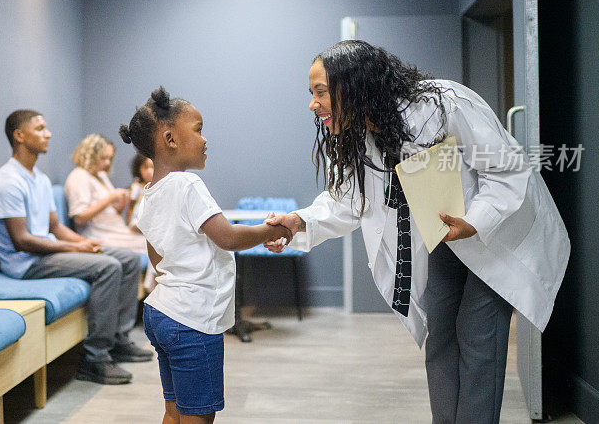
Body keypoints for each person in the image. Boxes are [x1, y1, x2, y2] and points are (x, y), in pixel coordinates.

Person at [264, 40, 570, 424]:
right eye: (311, 94)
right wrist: (300, 221)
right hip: (444, 234)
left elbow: (506, 170)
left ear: (355, 85)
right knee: (439, 333)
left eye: (320, 92)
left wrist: (475, 221)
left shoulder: (443, 104)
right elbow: (346, 201)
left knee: (477, 336)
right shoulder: (360, 134)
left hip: (499, 232)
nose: (313, 104)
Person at [119, 87, 292, 424]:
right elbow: (227, 237)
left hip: (161, 313)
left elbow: (156, 259)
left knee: (174, 409)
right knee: (199, 416)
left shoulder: (149, 194)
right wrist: (272, 230)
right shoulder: (188, 185)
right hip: (192, 322)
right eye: (198, 130)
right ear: (170, 138)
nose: (204, 139)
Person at [0, 110, 152, 386]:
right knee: (108, 268)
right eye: (40, 128)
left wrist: (81, 243)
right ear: (19, 136)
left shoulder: (38, 178)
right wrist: (73, 250)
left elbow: (55, 227)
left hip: (48, 252)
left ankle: (118, 340)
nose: (48, 133)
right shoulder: (7, 181)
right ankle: (95, 359)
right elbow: (22, 241)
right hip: (25, 263)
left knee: (128, 259)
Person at [127, 153, 154, 233]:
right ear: (139, 169)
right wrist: (128, 222)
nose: (149, 171)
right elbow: (131, 206)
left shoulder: (158, 187)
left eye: (152, 167)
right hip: (137, 218)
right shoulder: (137, 187)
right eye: (146, 167)